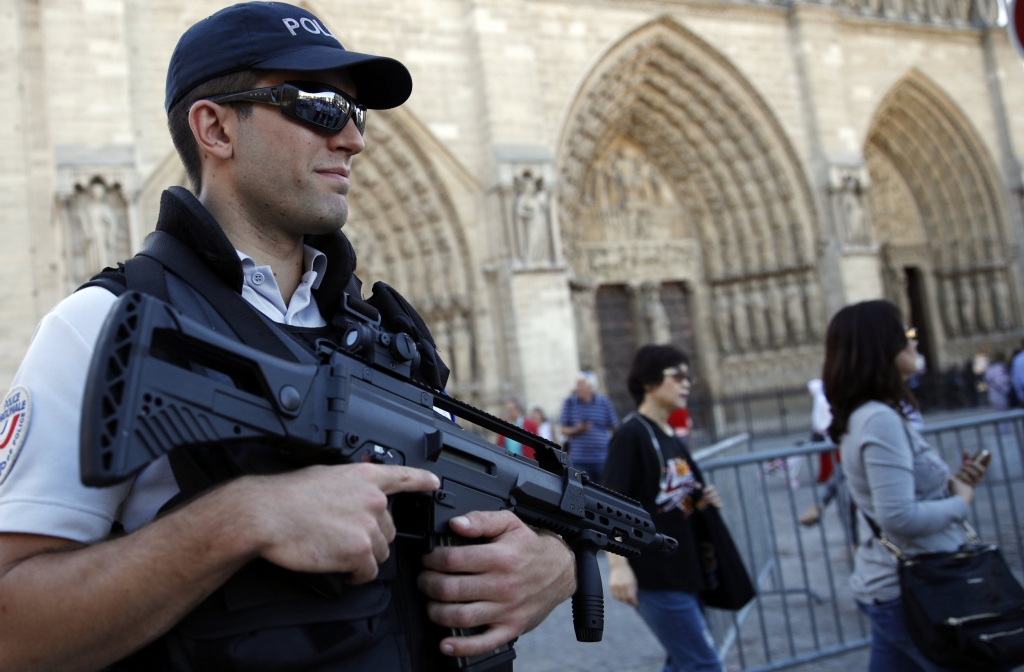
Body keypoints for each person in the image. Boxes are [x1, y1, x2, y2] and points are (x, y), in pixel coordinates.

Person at [0, 4, 576, 670]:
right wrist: (239, 518)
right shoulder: (102, 326)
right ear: (215, 128)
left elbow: (458, 494)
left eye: (355, 114)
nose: (353, 140)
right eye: (320, 106)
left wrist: (549, 561)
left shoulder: (391, 334)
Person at [824, 300, 988, 672]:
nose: (915, 342)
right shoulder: (878, 419)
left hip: (896, 583)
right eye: (906, 335)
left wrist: (948, 485)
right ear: (881, 346)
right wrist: (961, 502)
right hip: (914, 588)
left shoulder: (870, 414)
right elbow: (898, 515)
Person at [603, 345, 726, 672]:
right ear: (649, 382)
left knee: (682, 662)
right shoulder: (631, 434)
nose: (687, 383)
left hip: (687, 568)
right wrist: (618, 566)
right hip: (656, 574)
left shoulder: (669, 434)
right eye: (677, 376)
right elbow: (611, 502)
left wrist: (701, 499)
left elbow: (670, 497)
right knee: (704, 665)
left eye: (688, 376)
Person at [559, 370, 619, 483]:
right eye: (577, 384)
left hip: (602, 458)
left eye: (581, 385)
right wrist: (577, 429)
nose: (578, 388)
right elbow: (563, 429)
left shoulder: (604, 403)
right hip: (579, 460)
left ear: (590, 386)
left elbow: (615, 427)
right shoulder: (570, 403)